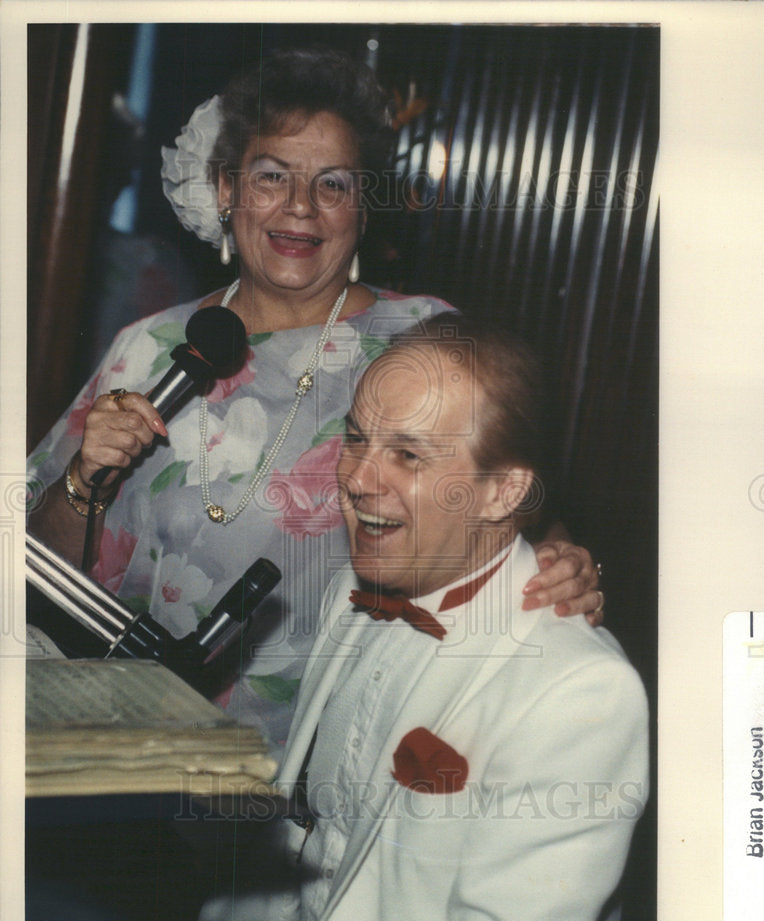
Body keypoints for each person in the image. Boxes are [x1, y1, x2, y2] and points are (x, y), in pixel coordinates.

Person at [27, 47, 603, 756]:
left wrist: (563, 560)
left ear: (363, 206)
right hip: (127, 753)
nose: (300, 207)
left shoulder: (418, 340)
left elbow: (513, 509)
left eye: (332, 184)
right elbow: (34, 569)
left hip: (332, 757)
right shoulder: (145, 347)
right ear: (227, 188)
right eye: (272, 176)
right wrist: (85, 481)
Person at [195, 314, 648, 921]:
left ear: (504, 491)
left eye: (408, 454)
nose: (357, 479)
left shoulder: (582, 692)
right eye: (357, 439)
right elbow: (311, 845)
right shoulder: (359, 584)